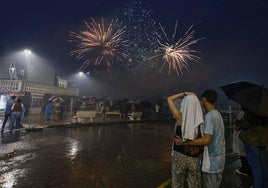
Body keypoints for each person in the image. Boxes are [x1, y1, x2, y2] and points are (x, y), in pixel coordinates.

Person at [175, 89, 226, 188]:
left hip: (212, 162)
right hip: (219, 159)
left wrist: (185, 142)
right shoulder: (217, 114)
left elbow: (207, 140)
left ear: (204, 99)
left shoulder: (210, 116)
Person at [167, 92, 204, 188]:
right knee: (195, 184)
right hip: (194, 157)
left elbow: (169, 99)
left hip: (179, 156)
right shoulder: (200, 120)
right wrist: (194, 97)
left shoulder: (180, 117)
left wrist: (183, 94)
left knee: (177, 183)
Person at [237, 108, 268, 188]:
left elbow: (246, 123)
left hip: (253, 139)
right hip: (265, 140)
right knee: (264, 165)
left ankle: (257, 185)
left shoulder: (256, 104)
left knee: (255, 165)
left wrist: (238, 123)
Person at [232, 109, 252, 176]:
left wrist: (235, 123)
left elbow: (237, 125)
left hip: (244, 137)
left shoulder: (243, 112)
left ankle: (245, 170)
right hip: (251, 138)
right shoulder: (254, 113)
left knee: (243, 154)